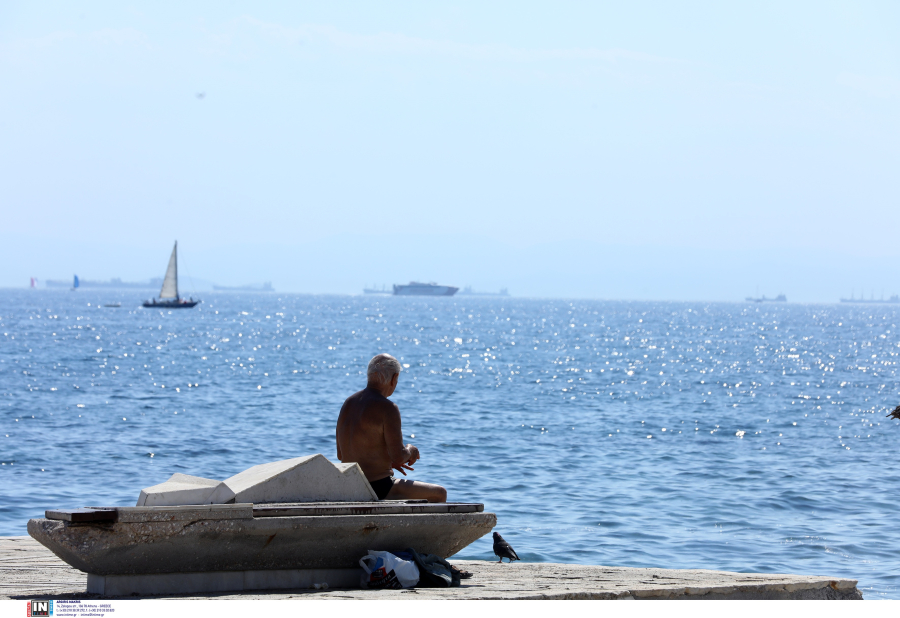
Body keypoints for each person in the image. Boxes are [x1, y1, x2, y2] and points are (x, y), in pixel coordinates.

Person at [336, 353, 447, 503]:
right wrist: (411, 450)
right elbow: (400, 456)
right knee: (439, 493)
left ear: (369, 376)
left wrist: (383, 461)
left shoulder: (348, 403)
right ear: (394, 379)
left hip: (348, 485)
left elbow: (341, 455)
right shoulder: (388, 408)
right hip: (378, 487)